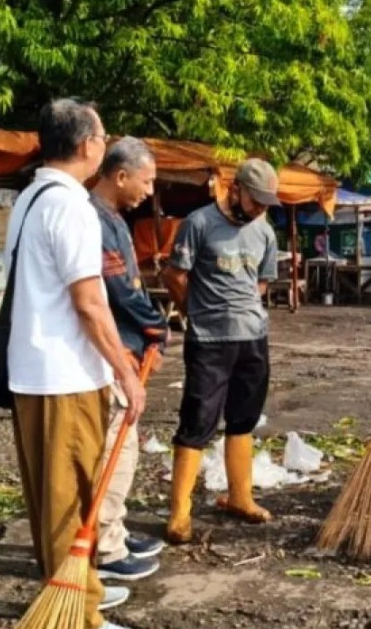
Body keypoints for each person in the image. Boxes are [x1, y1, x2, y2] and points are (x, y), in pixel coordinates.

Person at [6, 99, 146, 629]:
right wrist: (125, 371)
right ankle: (78, 620)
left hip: (35, 371)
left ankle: (79, 587)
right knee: (72, 497)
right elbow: (89, 303)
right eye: (103, 134)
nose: (105, 141)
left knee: (55, 494)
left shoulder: (31, 198)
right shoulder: (70, 206)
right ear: (87, 144)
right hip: (63, 375)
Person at [161, 158, 280, 545]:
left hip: (252, 338)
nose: (260, 208)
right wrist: (194, 312)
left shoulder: (264, 232)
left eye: (266, 203)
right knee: (197, 422)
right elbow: (175, 275)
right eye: (256, 200)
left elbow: (261, 282)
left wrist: (246, 313)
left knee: (244, 419)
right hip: (209, 341)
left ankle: (241, 497)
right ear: (235, 189)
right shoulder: (198, 224)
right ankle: (179, 513)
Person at [90, 137, 169, 581]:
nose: (150, 190)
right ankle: (106, 545)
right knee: (115, 453)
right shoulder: (95, 221)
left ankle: (113, 529)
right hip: (113, 352)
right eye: (147, 180)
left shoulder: (114, 217)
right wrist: (156, 326)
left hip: (128, 348)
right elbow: (120, 290)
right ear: (120, 176)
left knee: (125, 447)